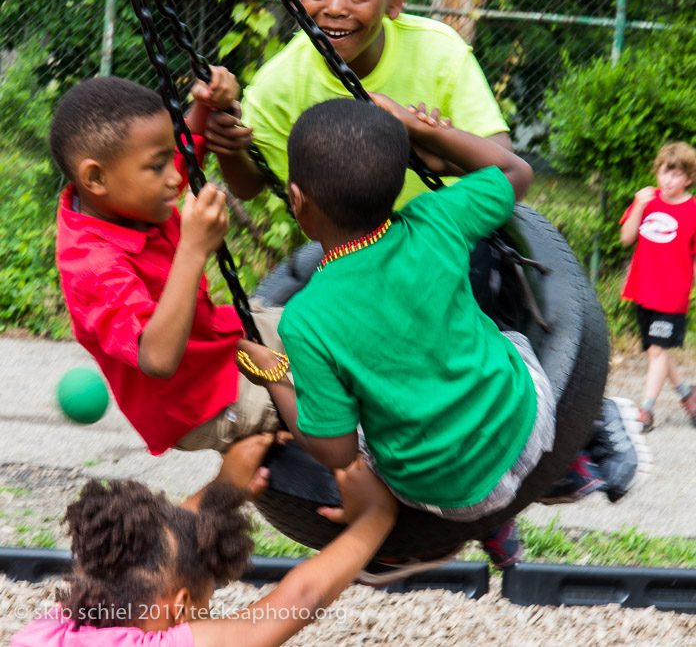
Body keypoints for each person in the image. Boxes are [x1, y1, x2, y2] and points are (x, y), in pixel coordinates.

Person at [234, 97, 652, 583]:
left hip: (452, 495)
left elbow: (335, 452)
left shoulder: (305, 319)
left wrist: (273, 375)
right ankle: (577, 449)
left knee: (355, 419)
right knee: (502, 333)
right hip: (531, 423)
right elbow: (515, 171)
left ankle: (405, 544)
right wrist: (426, 132)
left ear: (297, 199)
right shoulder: (437, 217)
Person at [49, 73, 286, 508]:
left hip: (220, 344)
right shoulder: (93, 266)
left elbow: (184, 145)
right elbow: (156, 358)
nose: (175, 178)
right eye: (158, 166)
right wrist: (194, 248)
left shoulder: (128, 189)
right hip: (198, 400)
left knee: (325, 331)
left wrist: (206, 106)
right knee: (317, 394)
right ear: (96, 178)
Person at [11, 434, 398, 647]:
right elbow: (297, 601)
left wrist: (223, 489)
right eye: (204, 607)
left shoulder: (50, 629)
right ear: (180, 608)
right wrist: (375, 516)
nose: (205, 618)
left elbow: (153, 541)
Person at [209, 0, 512, 209]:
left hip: (441, 245)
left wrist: (434, 143)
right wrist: (230, 148)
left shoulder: (440, 52)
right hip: (349, 257)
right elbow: (249, 186)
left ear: (395, 0)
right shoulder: (276, 86)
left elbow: (503, 163)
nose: (335, 8)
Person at [619, 141, 696, 432]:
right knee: (657, 350)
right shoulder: (648, 202)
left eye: (676, 174)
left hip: (672, 294)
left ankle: (646, 412)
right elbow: (626, 237)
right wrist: (638, 204)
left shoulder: (693, 211)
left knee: (656, 352)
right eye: (664, 172)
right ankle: (688, 395)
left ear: (688, 178)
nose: (667, 180)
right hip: (643, 289)